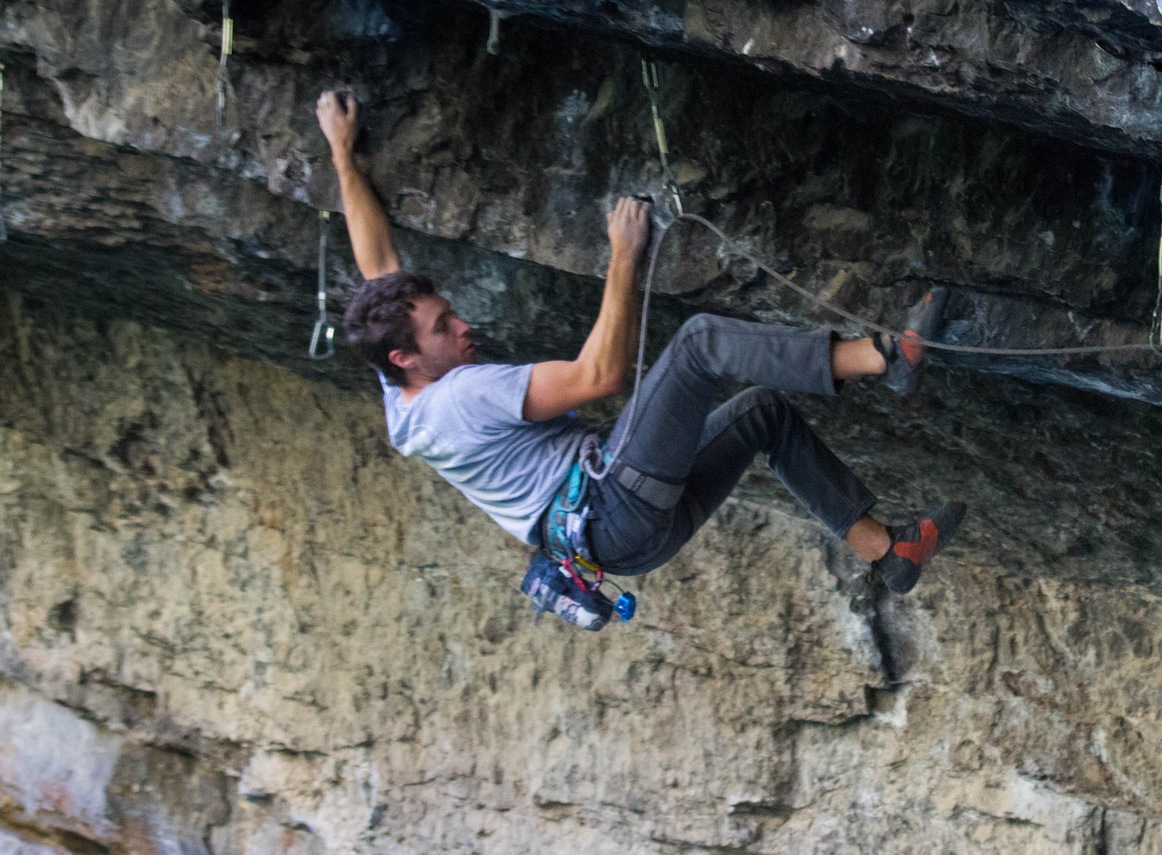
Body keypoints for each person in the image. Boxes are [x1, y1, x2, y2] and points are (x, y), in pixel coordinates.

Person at [314, 89, 964, 610]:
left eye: (447, 315)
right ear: (406, 356)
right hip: (610, 507)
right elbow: (602, 375)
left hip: (621, 543)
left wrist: (343, 155)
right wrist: (624, 256)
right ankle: (885, 359)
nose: (460, 327)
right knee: (701, 342)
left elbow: (378, 267)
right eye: (442, 328)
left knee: (763, 412)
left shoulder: (405, 397)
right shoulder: (460, 397)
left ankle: (888, 553)